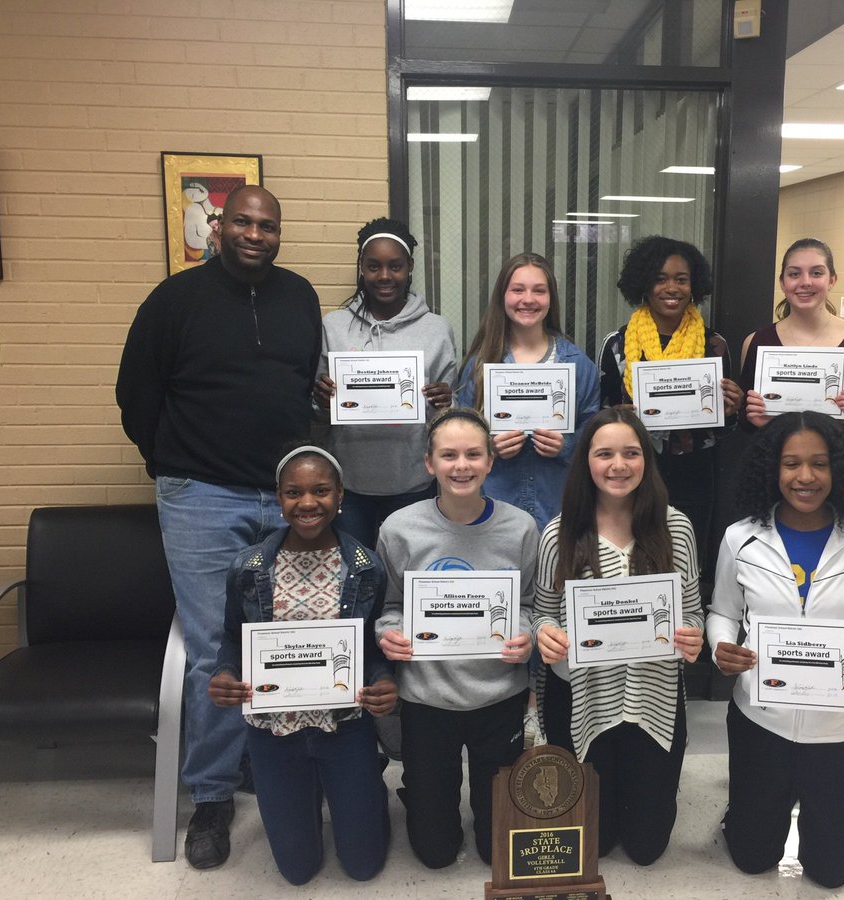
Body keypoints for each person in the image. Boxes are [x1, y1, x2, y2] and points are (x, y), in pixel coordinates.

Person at [116, 185, 322, 870]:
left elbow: (303, 386)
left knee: (289, 637)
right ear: (218, 226)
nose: (256, 234)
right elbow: (136, 395)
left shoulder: (299, 298)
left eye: (268, 225)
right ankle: (210, 797)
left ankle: (272, 761)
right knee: (214, 647)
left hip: (286, 496)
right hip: (201, 495)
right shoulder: (173, 301)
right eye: (243, 221)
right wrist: (173, 462)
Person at [706, 411, 844, 888]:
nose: (805, 477)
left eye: (819, 464)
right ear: (772, 470)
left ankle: (842, 816)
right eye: (791, 464)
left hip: (837, 725)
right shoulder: (742, 538)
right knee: (751, 857)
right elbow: (722, 612)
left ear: (838, 469)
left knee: (831, 871)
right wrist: (723, 646)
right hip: (762, 718)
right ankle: (749, 811)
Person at [208, 446, 396, 885]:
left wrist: (383, 679)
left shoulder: (366, 566)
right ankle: (305, 798)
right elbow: (234, 639)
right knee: (297, 870)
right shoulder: (248, 568)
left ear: (341, 495)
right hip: (274, 732)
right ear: (279, 497)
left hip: (345, 726)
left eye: (321, 490)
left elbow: (372, 645)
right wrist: (225, 675)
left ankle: (367, 791)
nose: (308, 503)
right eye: (294, 492)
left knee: (363, 867)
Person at [533, 407, 704, 865]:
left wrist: (692, 638)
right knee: (596, 842)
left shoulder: (677, 528)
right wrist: (545, 635)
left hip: (654, 696)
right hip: (584, 698)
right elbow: (541, 618)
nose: (618, 465)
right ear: (585, 462)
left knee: (647, 849)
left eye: (631, 453)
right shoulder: (559, 534)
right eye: (604, 453)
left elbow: (692, 614)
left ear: (646, 459)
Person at [375, 407, 538, 868]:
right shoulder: (399, 528)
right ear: (429, 464)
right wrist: (389, 635)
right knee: (436, 852)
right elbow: (388, 607)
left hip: (499, 694)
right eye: (448, 455)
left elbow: (529, 605)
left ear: (490, 461)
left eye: (472, 454)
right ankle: (424, 796)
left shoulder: (521, 527)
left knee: (495, 852)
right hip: (429, 698)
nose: (461, 465)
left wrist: (524, 635)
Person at [598, 235, 742, 570]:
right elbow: (600, 417)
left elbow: (723, 430)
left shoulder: (714, 345)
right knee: (628, 562)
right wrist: (616, 417)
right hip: (631, 472)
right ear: (644, 284)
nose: (671, 288)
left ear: (694, 286)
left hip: (694, 475)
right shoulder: (618, 345)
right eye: (660, 278)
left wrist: (731, 410)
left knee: (684, 562)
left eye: (681, 279)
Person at [314, 218, 457, 549]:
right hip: (349, 484)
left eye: (395, 266)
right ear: (361, 268)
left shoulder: (436, 329)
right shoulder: (333, 325)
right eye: (373, 266)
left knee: (409, 574)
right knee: (357, 576)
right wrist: (320, 398)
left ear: (409, 268)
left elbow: (451, 414)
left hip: (414, 481)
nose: (384, 276)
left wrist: (446, 402)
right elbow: (317, 409)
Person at [456, 252, 601, 533]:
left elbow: (593, 433)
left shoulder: (578, 365)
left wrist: (567, 446)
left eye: (539, 290)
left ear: (551, 298)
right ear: (503, 296)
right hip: (493, 512)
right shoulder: (479, 365)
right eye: (518, 289)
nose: (528, 299)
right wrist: (489, 448)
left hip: (557, 511)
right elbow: (461, 435)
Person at [739, 238, 844, 439]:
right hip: (777, 464)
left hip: (839, 465)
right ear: (782, 282)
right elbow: (743, 416)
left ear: (832, 280)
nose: (805, 282)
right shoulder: (757, 342)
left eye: (816, 273)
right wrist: (756, 421)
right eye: (794, 274)